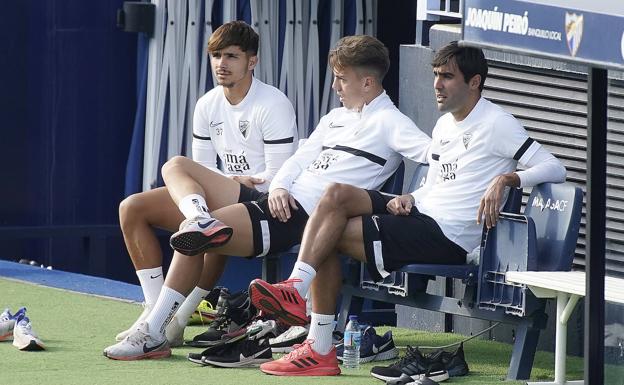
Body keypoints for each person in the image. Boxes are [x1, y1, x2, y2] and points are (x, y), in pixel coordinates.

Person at [103, 34, 431, 362]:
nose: (335, 87)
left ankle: (154, 332)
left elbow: (437, 155)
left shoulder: (391, 122)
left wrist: (412, 197)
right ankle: (184, 252)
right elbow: (298, 160)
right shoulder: (335, 118)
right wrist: (278, 188)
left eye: (341, 79)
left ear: (369, 82)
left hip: (300, 219)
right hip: (276, 201)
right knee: (177, 171)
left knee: (195, 238)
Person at [250, 41, 567, 376]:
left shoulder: (498, 123)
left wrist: (506, 179)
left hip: (449, 236)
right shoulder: (444, 125)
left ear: (474, 82)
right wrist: (414, 196)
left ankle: (318, 345)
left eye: (447, 76)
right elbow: (438, 180)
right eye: (434, 75)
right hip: (421, 216)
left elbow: (554, 167)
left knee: (327, 234)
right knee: (335, 196)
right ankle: (296, 295)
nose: (437, 84)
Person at [114, 20, 298, 347]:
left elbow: (279, 179)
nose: (221, 64)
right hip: (224, 195)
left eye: (231, 56)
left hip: (262, 203)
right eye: (215, 56)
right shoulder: (207, 104)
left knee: (176, 167)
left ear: (251, 61)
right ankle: (156, 312)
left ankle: (176, 315)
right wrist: (226, 181)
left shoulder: (273, 103)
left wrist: (231, 181)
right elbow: (203, 170)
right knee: (132, 208)